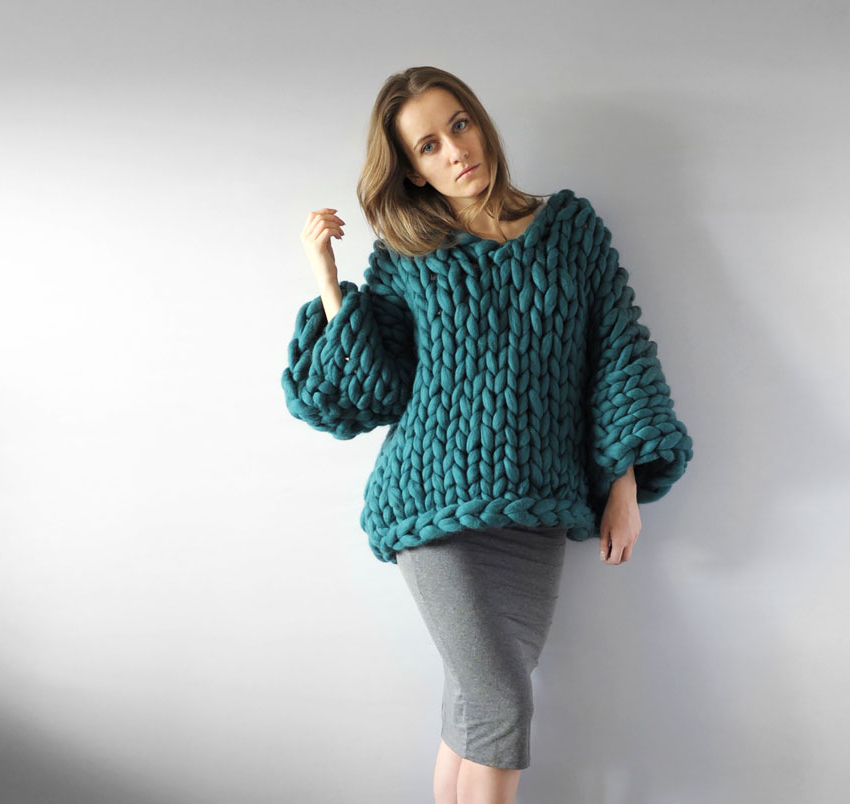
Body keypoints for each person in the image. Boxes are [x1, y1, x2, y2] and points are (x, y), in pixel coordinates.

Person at [282, 66, 693, 804]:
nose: (455, 151)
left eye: (459, 124)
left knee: (474, 709)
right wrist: (327, 276)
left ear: (479, 121)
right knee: (502, 706)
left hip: (536, 510)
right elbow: (367, 391)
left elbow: (617, 353)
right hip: (432, 508)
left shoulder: (571, 229)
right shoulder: (409, 256)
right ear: (412, 169)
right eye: (429, 146)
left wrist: (624, 484)